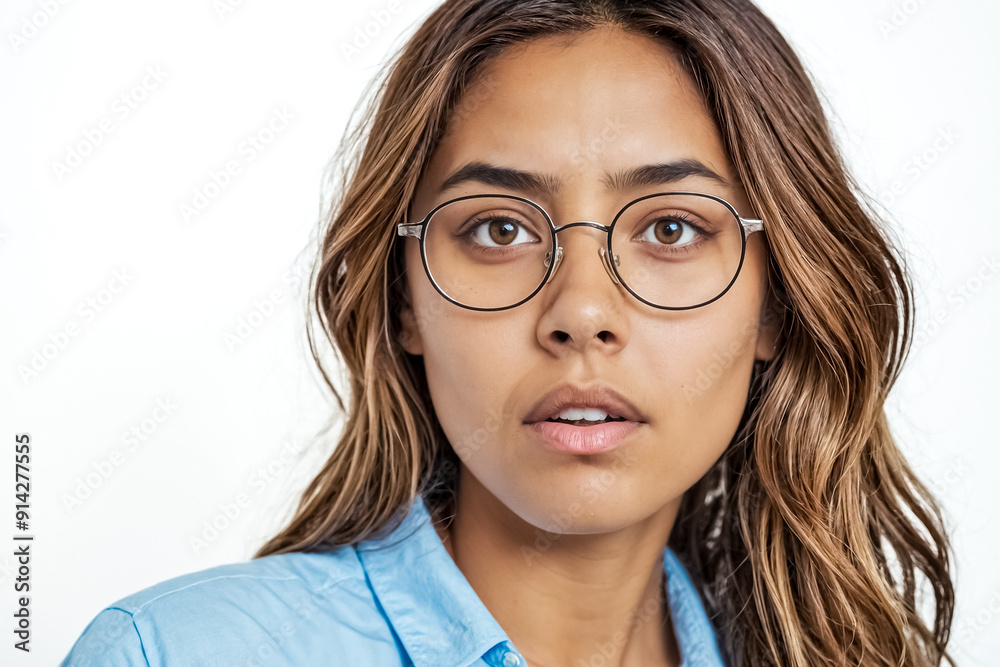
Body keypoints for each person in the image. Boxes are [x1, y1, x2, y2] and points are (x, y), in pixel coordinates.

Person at [61, 0, 956, 665]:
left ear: (775, 302)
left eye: (672, 229)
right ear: (405, 298)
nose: (582, 313)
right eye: (499, 229)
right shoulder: (172, 653)